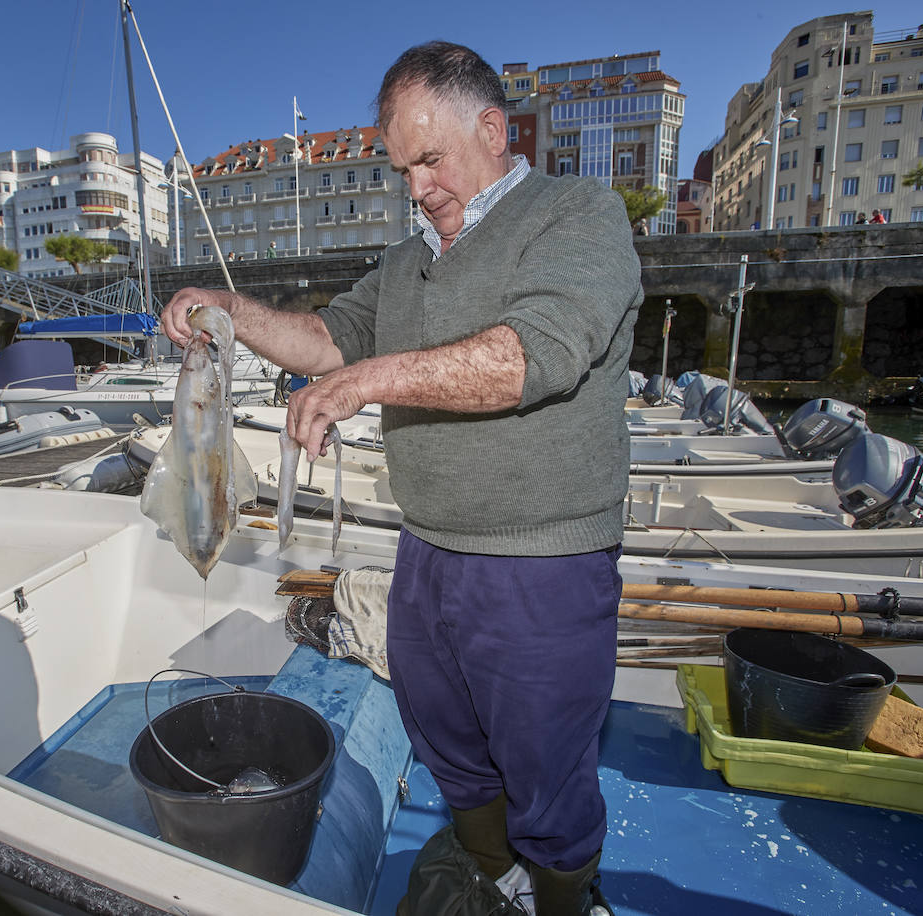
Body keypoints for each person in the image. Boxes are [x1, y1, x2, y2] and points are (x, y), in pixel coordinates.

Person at [161, 40, 638, 915]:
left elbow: (536, 353)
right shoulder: (407, 259)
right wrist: (230, 310)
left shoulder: (576, 214)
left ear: (492, 129)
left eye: (430, 160)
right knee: (448, 742)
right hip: (428, 555)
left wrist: (365, 382)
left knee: (547, 766)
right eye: (401, 168)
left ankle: (568, 900)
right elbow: (330, 338)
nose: (416, 187)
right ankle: (495, 875)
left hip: (543, 563)